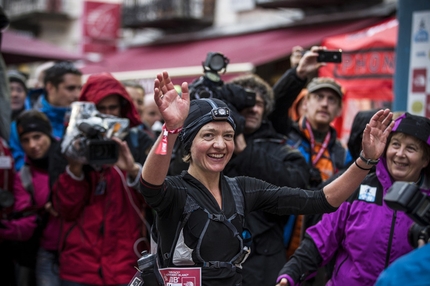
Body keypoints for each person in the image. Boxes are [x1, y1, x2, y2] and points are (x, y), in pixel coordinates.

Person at [140, 71, 393, 286]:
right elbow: (150, 184)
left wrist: (365, 161)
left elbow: (322, 200)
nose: (220, 144)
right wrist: (170, 129)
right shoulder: (174, 191)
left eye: (228, 136)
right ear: (189, 144)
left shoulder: (243, 189)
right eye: (208, 135)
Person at [276, 112, 430, 286]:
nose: (400, 154)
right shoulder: (357, 186)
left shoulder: (426, 205)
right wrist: (289, 275)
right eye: (395, 144)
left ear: (425, 159)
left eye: (411, 148)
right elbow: (321, 239)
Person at [50, 72, 154, 285]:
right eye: (100, 108)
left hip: (126, 263)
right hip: (80, 267)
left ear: (122, 109)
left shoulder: (137, 141)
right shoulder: (68, 146)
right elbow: (65, 210)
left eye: (113, 108)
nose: (107, 115)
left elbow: (155, 200)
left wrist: (134, 170)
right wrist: (75, 167)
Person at [224, 73, 310, 285]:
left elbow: (295, 188)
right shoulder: (213, 146)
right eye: (248, 101)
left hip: (264, 263)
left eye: (260, 103)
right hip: (217, 260)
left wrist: (245, 152)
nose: (254, 108)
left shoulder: (282, 147)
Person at [2, 110, 61, 286]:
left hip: (82, 251)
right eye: (25, 140)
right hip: (48, 252)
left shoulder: (71, 163)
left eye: (37, 136)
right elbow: (26, 221)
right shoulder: (24, 176)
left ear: (48, 134)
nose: (33, 145)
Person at [9, 61, 83, 171]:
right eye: (70, 88)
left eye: (79, 88)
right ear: (50, 87)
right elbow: (18, 165)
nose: (77, 94)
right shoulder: (23, 122)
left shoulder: (84, 118)